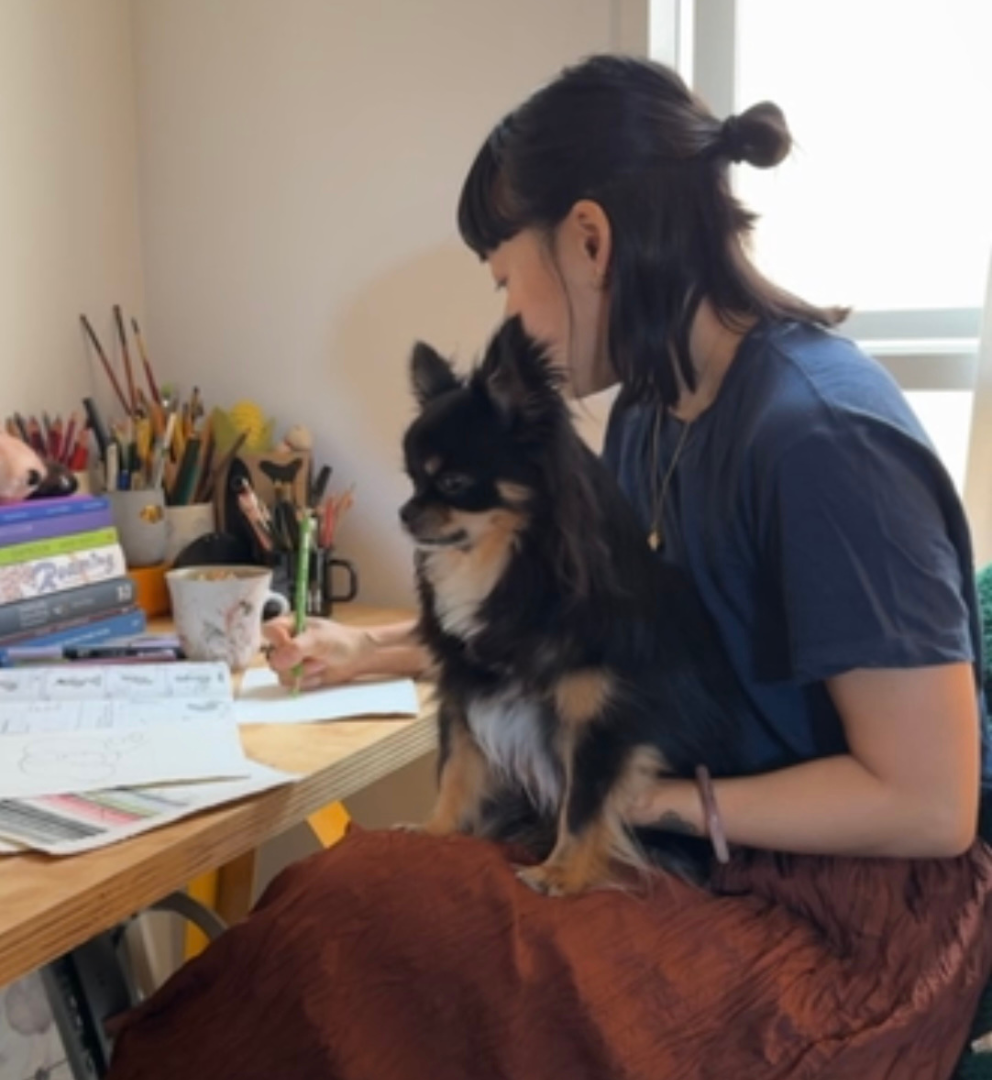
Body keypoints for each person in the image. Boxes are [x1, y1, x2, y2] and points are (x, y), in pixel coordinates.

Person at [107, 55, 992, 1080]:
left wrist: (656, 804)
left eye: (502, 281)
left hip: (841, 924)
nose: (507, 320)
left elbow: (931, 806)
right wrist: (375, 650)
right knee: (364, 911)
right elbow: (580, 632)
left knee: (357, 919)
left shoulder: (819, 439)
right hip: (699, 848)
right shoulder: (656, 416)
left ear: (589, 240)